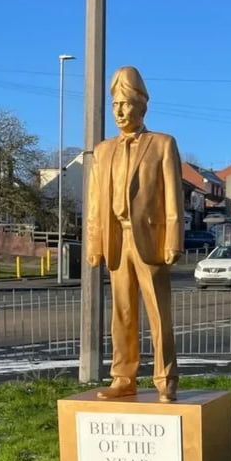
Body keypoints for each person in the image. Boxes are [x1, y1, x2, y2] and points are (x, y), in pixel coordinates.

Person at [86, 66, 184, 402]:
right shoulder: (102, 151)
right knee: (123, 313)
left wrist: (173, 238)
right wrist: (95, 243)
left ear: (142, 106)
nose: (120, 111)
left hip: (150, 241)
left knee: (159, 312)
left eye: (126, 104)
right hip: (117, 241)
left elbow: (173, 196)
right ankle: (123, 378)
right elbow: (96, 202)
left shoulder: (162, 144)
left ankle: (165, 378)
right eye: (115, 105)